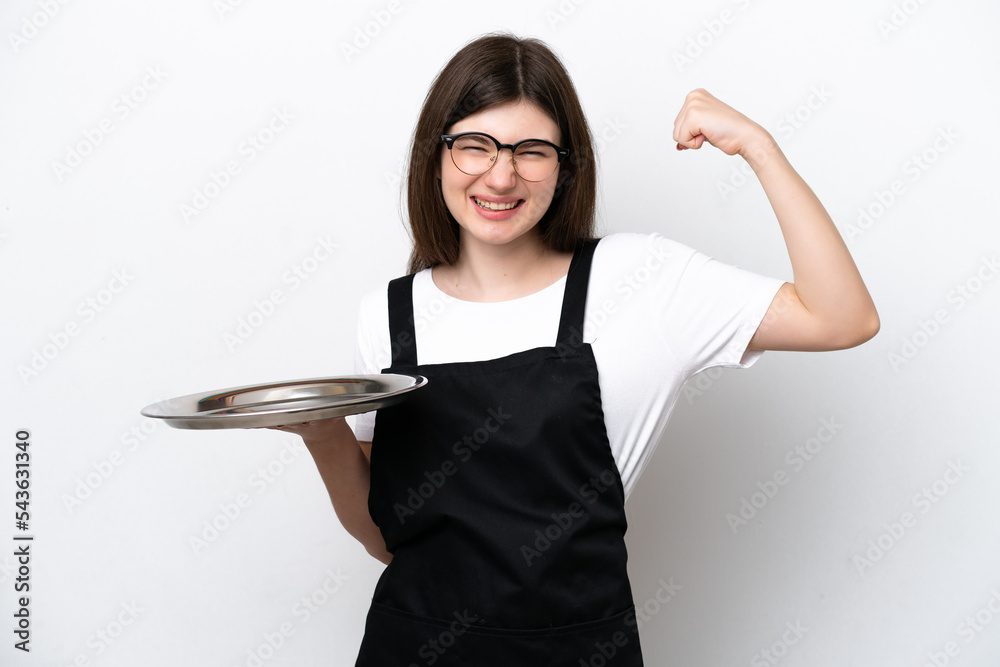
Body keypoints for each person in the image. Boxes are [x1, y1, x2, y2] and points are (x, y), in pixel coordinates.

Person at [275, 32, 879, 666]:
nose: (501, 175)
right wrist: (323, 432)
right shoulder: (389, 315)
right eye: (474, 146)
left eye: (530, 151)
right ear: (436, 158)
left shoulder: (640, 280)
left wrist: (760, 148)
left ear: (565, 167)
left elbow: (843, 318)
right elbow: (386, 539)